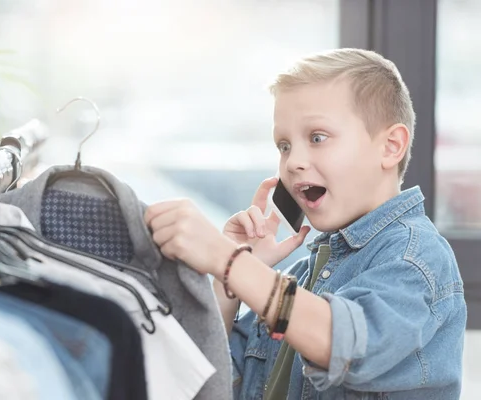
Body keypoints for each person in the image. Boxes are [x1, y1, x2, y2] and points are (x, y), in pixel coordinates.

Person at [144, 48, 466, 399]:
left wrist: (229, 261)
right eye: (284, 145)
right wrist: (228, 282)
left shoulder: (415, 258)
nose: (293, 161)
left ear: (390, 147)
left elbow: (337, 340)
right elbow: (207, 380)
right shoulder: (297, 280)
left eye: (317, 138)